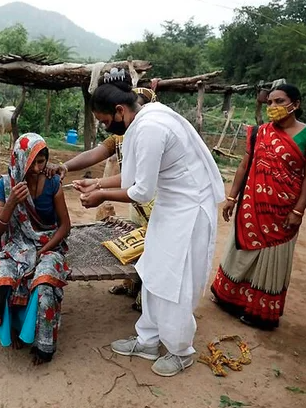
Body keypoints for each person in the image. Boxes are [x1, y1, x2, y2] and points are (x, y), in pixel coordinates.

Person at [76, 68, 225, 377]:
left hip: (189, 211)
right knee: (154, 270)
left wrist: (102, 196)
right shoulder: (143, 119)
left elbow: (142, 192)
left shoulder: (151, 127)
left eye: (105, 121)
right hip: (171, 207)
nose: (106, 127)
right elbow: (134, 177)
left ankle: (180, 350)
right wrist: (99, 187)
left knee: (176, 280)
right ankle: (148, 340)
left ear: (119, 111)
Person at [210, 84, 306, 330]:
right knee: (240, 251)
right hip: (252, 204)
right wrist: (231, 197)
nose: (273, 107)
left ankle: (260, 312)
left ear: (296, 104)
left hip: (283, 210)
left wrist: (298, 211)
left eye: (279, 101)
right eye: (270, 102)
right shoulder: (260, 132)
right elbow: (244, 166)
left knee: (272, 258)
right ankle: (228, 298)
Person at [46, 87, 157, 310]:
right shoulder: (122, 134)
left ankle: (149, 299)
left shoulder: (149, 134)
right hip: (137, 201)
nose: (107, 126)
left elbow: (140, 183)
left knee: (155, 248)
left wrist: (101, 190)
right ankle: (134, 284)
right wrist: (65, 166)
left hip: (155, 202)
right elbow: (99, 155)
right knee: (137, 244)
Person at [0, 133, 72, 365]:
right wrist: (11, 202)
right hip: (16, 245)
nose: (36, 168)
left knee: (44, 282)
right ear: (19, 159)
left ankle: (43, 345)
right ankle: (12, 329)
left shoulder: (53, 183)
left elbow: (65, 226)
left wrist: (46, 250)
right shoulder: (6, 185)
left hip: (48, 244)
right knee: (1, 276)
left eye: (41, 162)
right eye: (31, 162)